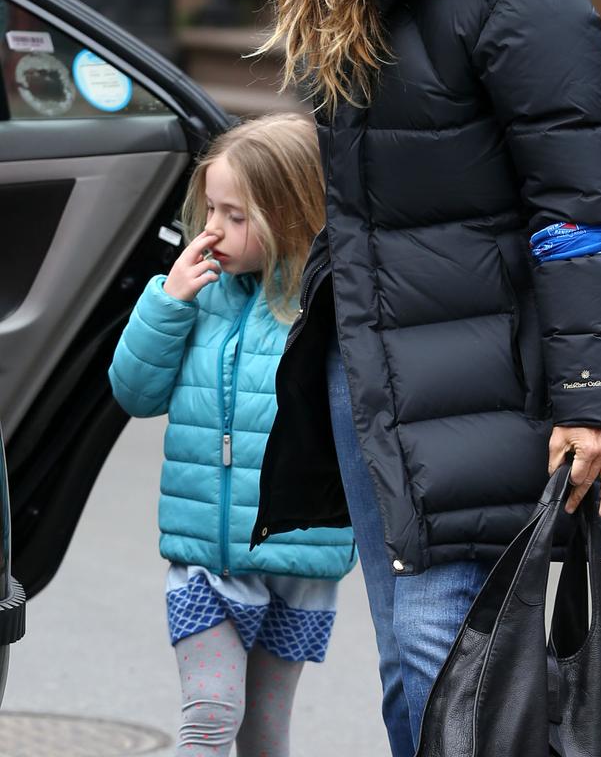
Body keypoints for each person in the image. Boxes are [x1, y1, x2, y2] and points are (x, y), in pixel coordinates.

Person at [251, 0, 601, 755]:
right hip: (375, 384)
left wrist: (592, 403)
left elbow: (577, 216)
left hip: (480, 390)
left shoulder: (526, 1)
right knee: (415, 670)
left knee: (446, 671)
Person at [109, 115, 356, 757]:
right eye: (209, 208)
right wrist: (167, 300)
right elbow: (135, 392)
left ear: (292, 214)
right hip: (207, 559)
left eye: (235, 216)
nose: (212, 229)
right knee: (210, 718)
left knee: (265, 733)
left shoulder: (331, 305)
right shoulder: (198, 295)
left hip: (301, 557)